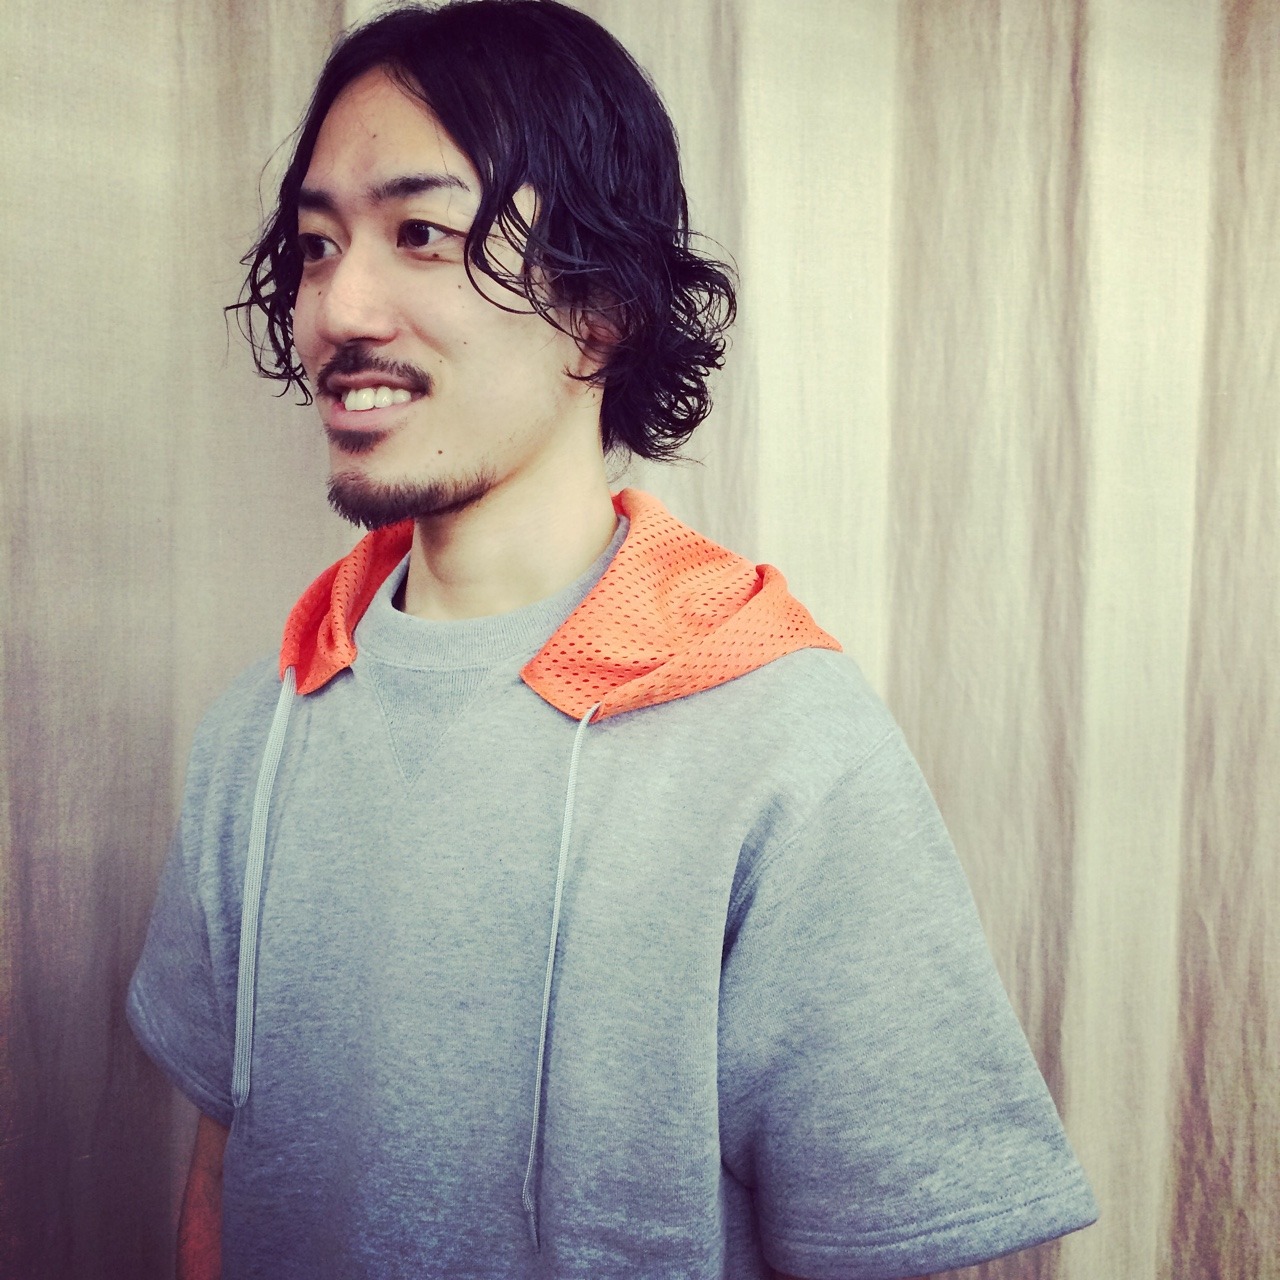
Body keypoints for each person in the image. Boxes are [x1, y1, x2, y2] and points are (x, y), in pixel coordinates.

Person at [127, 3, 1098, 1277]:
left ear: (598, 306)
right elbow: (221, 1173)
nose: (338, 306)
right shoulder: (255, 735)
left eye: (421, 234)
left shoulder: (783, 745)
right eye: (316, 245)